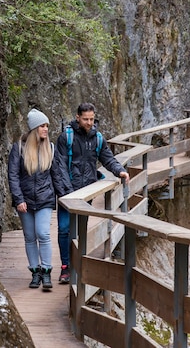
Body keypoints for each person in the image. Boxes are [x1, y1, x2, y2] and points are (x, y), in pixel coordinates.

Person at [54, 102, 130, 284]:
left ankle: (78, 264)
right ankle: (65, 267)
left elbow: (107, 158)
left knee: (81, 229)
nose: (89, 123)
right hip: (68, 193)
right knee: (64, 229)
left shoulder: (97, 138)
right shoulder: (66, 138)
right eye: (85, 119)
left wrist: (119, 170)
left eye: (91, 119)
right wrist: (68, 194)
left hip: (87, 192)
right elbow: (59, 166)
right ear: (77, 117)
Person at [8, 108, 70, 290]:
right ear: (35, 128)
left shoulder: (50, 148)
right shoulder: (19, 148)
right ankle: (35, 272)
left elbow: (56, 175)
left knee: (43, 234)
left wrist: (65, 197)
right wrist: (18, 199)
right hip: (25, 199)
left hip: (44, 198)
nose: (46, 129)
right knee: (29, 236)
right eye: (43, 126)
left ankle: (46, 271)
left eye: (47, 126)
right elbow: (13, 175)